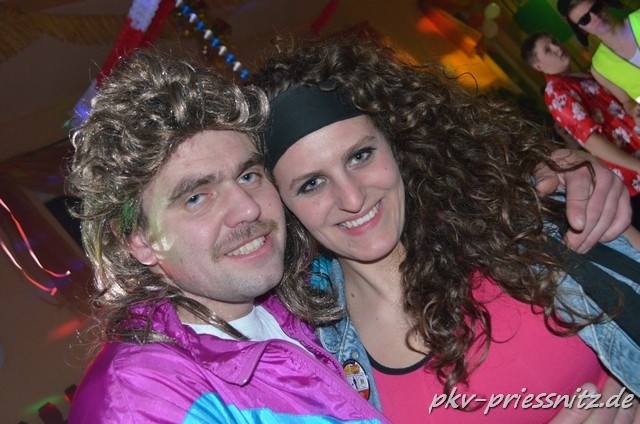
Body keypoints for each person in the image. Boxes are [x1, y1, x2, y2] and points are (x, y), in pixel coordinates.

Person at [248, 32, 640, 423]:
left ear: (396, 143)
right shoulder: (318, 359)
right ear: (283, 207)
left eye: (360, 156)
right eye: (312, 184)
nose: (352, 198)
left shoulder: (526, 219)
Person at [64, 49, 390, 423]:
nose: (248, 209)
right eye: (196, 197)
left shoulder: (304, 298)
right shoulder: (141, 398)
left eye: (248, 176)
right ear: (140, 241)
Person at [521, 31, 640, 232]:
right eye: (548, 50)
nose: (557, 48)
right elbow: (591, 141)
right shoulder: (556, 91)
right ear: (538, 66)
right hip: (633, 178)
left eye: (554, 41)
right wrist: (638, 166)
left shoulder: (580, 76)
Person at [557, 0, 640, 123]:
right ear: (582, 29)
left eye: (596, 8)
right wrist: (634, 112)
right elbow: (627, 102)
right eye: (585, 19)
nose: (595, 17)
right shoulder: (599, 67)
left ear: (604, 3)